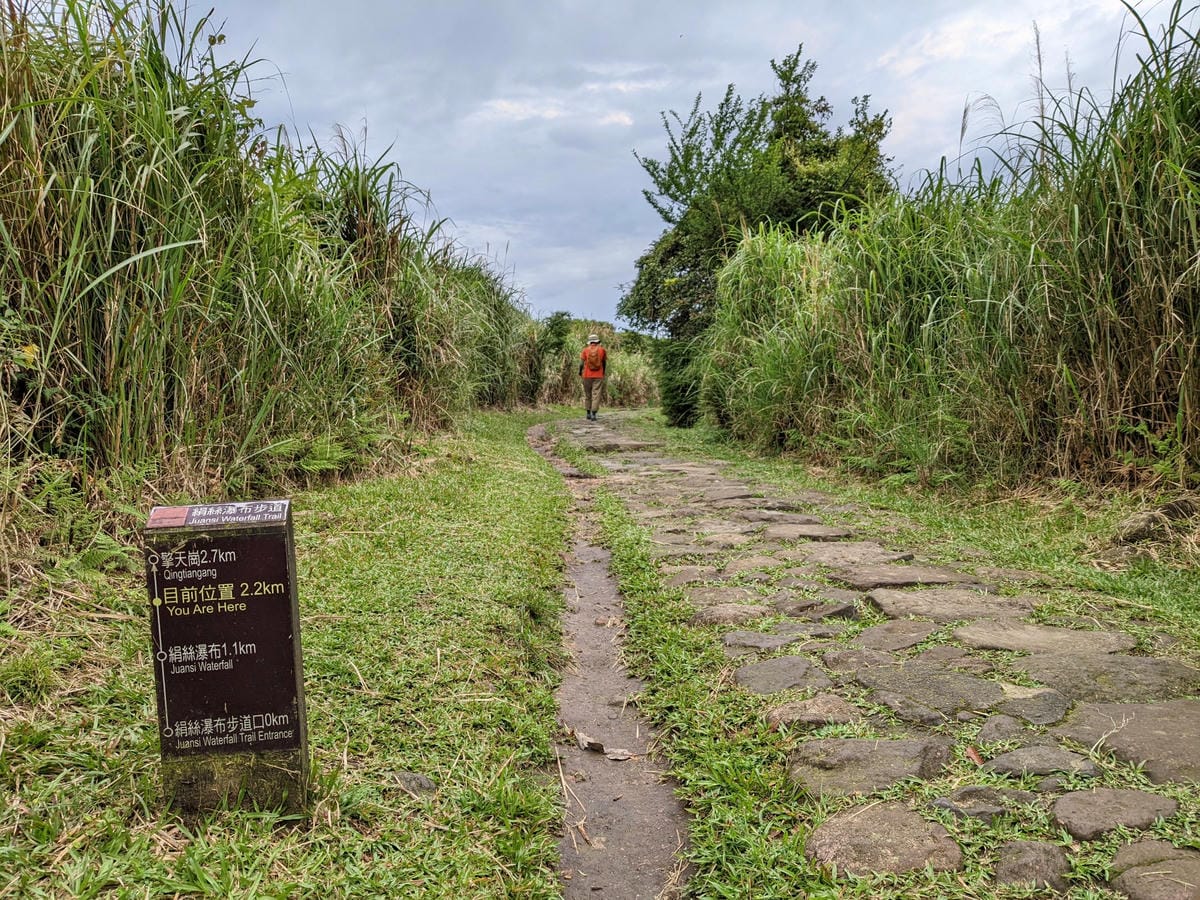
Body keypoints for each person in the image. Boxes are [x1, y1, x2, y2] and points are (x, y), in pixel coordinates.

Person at [578, 334, 607, 420]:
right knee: (596, 394)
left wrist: (580, 372)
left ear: (590, 342)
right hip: (598, 375)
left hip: (586, 375)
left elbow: (581, 364)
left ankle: (588, 413)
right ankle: (593, 414)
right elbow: (604, 362)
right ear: (597, 341)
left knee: (588, 394)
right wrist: (603, 371)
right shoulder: (602, 350)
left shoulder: (585, 350)